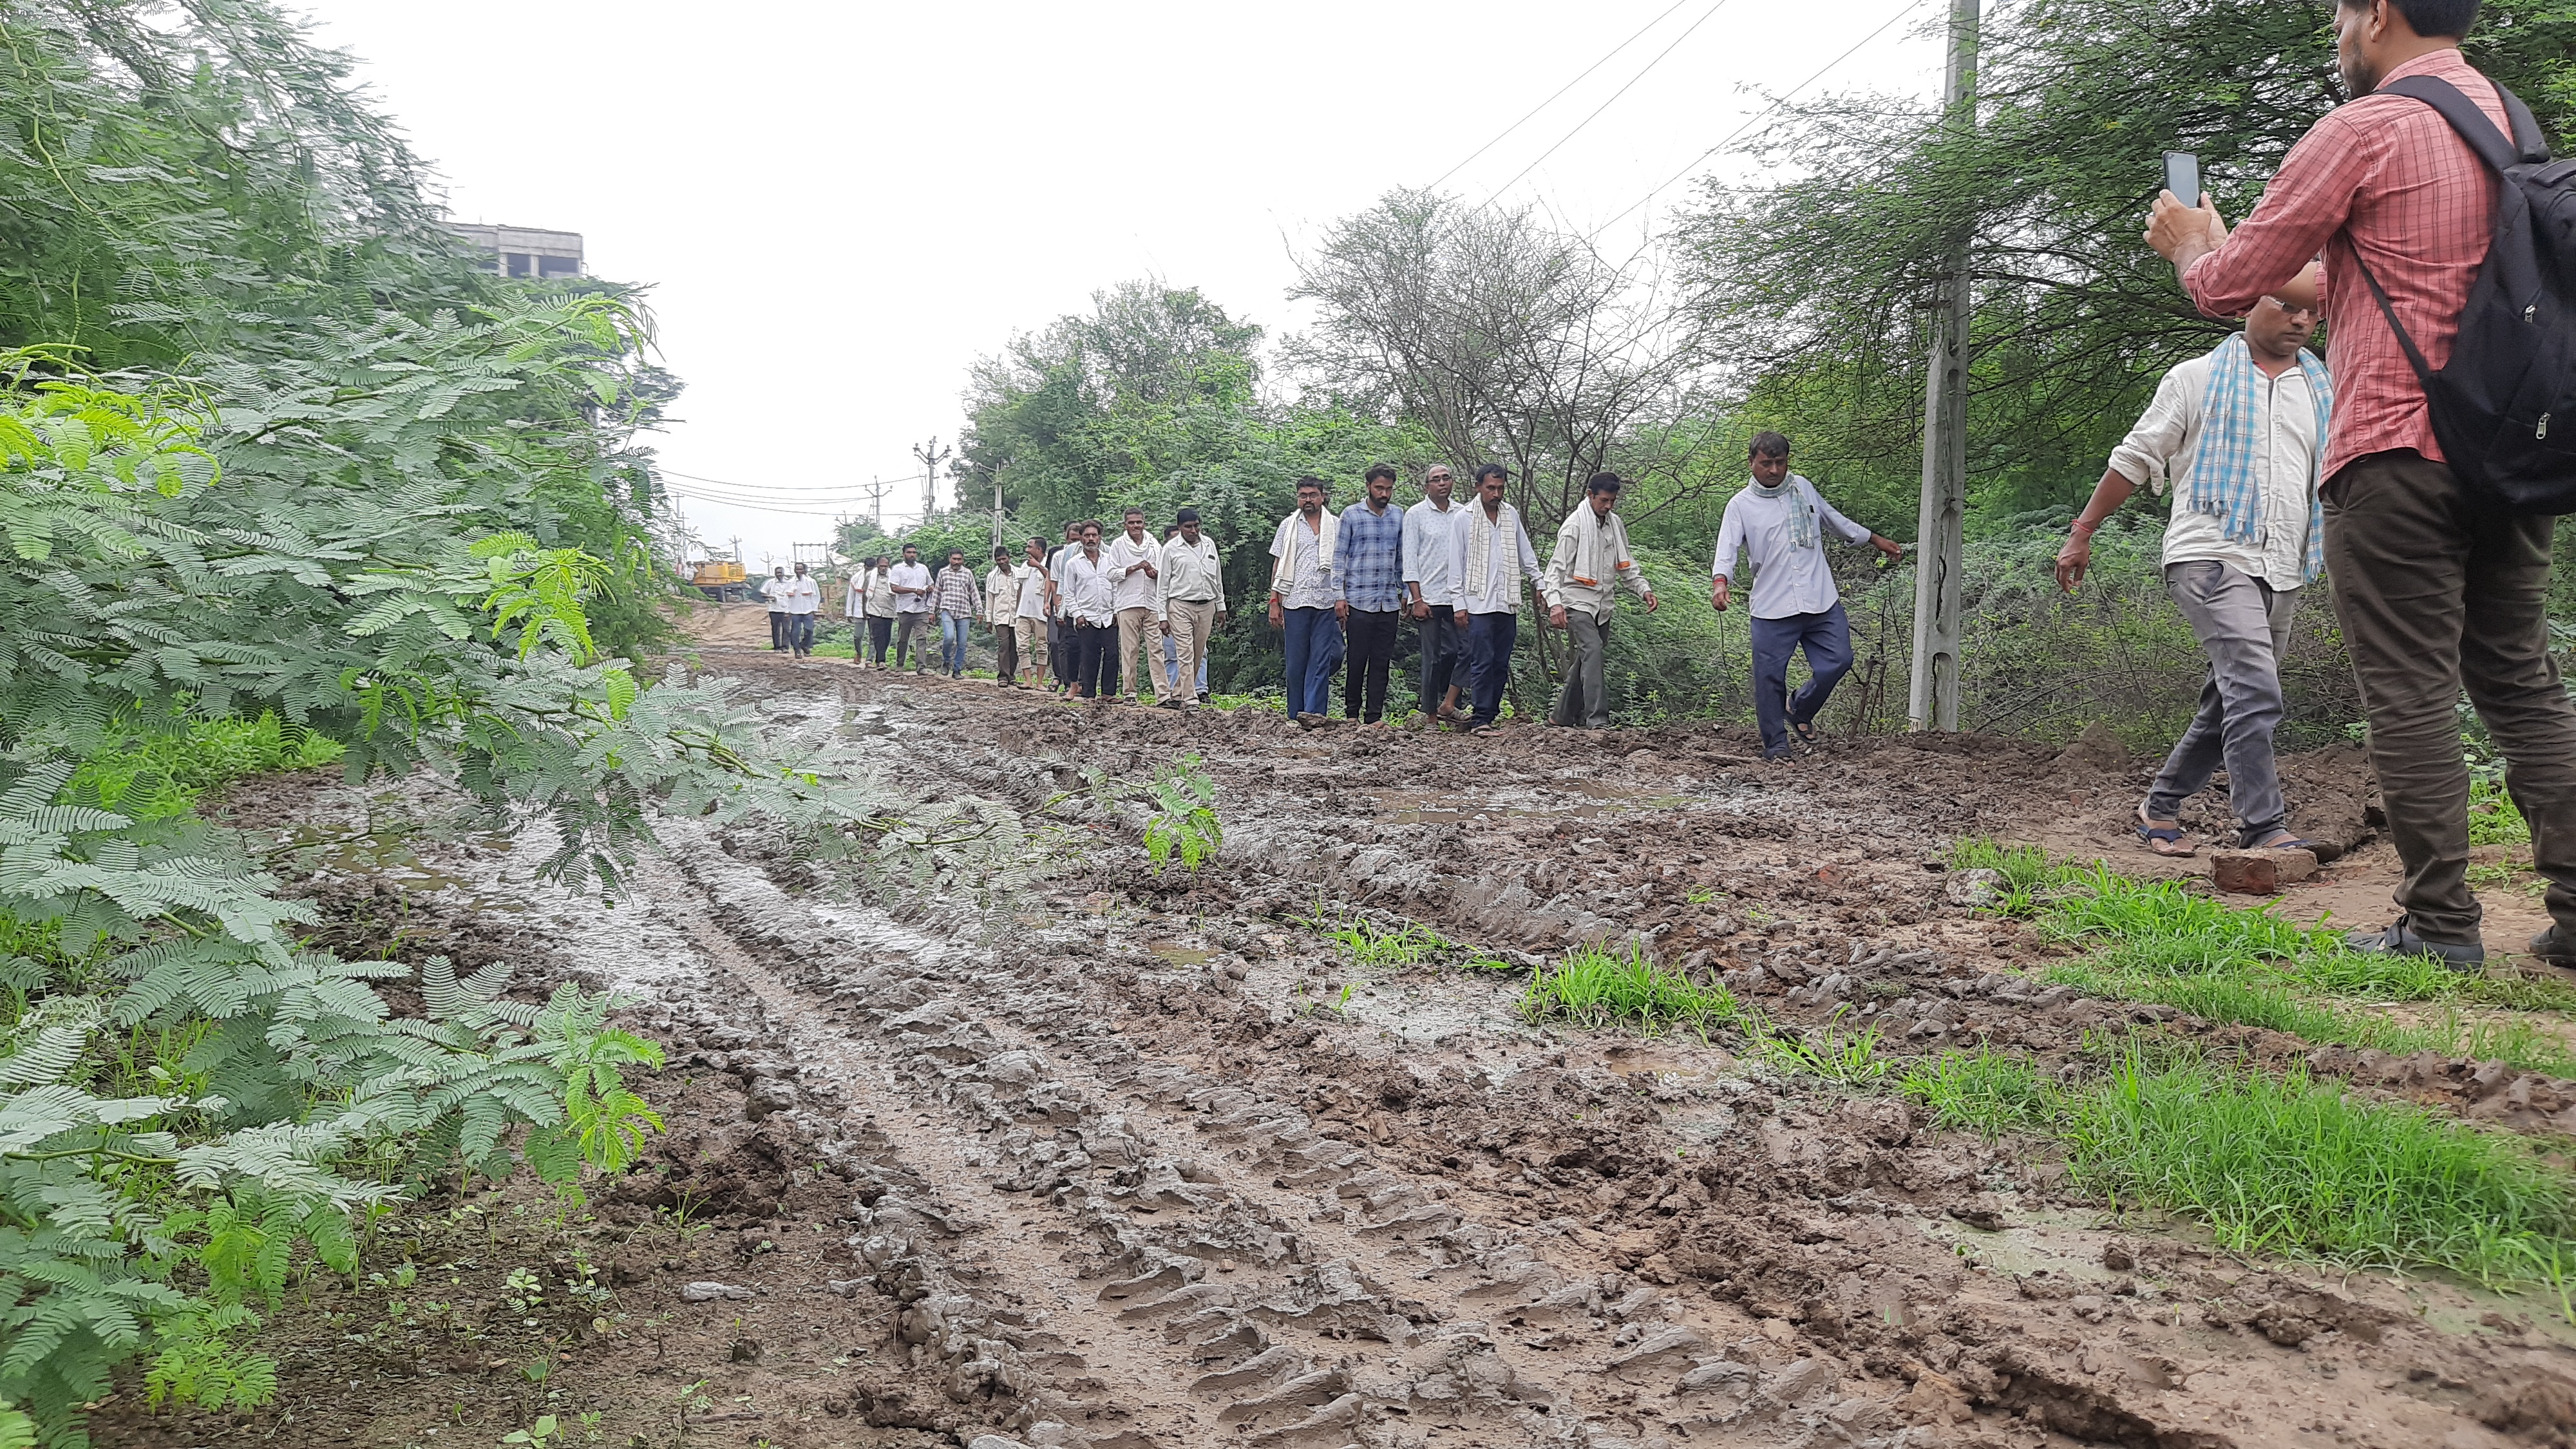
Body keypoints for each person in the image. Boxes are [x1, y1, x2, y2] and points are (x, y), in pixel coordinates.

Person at [2146, 0, 2576, 968]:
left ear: (2377, 13)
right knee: (2521, 682)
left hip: (2394, 455)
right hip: (2507, 455)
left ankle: (2439, 925)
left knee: (2410, 689)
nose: (2339, 32)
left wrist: (2188, 243)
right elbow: (2364, 282)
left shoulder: (2366, 126)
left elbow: (2226, 288)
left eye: (2342, 11)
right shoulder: (2513, 126)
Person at [2056, 274, 2331, 858]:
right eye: (2288, 304)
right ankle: (2263, 826)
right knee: (2255, 687)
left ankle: (2159, 804)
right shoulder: (2197, 377)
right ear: (2250, 301)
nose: (2301, 319)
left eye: (2313, 310)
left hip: (2286, 562)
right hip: (2209, 553)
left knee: (2234, 696)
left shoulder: (2324, 386)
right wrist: (2081, 534)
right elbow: (2136, 457)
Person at [1710, 433, 1904, 761]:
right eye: (1766, 464)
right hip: (1773, 605)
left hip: (1820, 597)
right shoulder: (1740, 505)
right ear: (1752, 463)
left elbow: (1832, 519)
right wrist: (1720, 583)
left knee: (1839, 660)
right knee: (1769, 679)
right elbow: (1726, 549)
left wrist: (1874, 539)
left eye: (1780, 463)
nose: (1774, 470)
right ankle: (1776, 745)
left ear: (1788, 461)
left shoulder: (1802, 487)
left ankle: (1799, 708)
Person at [1543, 472, 1657, 731]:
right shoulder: (1574, 526)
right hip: (1577, 600)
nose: (1608, 506)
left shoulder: (1614, 525)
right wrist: (1555, 604)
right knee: (1592, 649)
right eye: (1604, 500)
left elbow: (1626, 565)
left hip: (1603, 605)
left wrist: (1644, 590)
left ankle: (1560, 716)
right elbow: (1555, 570)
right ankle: (1598, 720)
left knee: (1587, 657)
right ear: (1590, 495)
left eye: (1612, 501)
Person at [1447, 464, 1544, 737]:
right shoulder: (1463, 518)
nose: (1496, 493)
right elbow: (1456, 564)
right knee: (1482, 660)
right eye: (1491, 488)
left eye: (1500, 488)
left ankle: (1490, 713)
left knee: (1501, 662)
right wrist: (1459, 604)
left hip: (1507, 601)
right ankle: (1480, 719)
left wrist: (1540, 583)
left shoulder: (1510, 515)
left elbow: (1526, 554)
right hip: (1477, 602)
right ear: (1478, 487)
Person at [1267, 477, 1343, 726]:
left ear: (1322, 497)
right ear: (1298, 498)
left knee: (1322, 660)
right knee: (1296, 662)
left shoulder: (1337, 525)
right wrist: (1274, 601)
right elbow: (1278, 564)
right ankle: (1295, 715)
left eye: (1312, 495)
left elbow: (1343, 565)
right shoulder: (1288, 525)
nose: (1308, 500)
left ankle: (1315, 715)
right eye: (1303, 495)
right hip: (1294, 600)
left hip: (1326, 601)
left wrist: (1343, 599)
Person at [1336, 464, 1407, 725]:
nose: (1384, 493)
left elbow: (1401, 558)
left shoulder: (1399, 516)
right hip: (1358, 599)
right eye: (1379, 488)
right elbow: (1339, 557)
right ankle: (1352, 714)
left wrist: (1406, 593)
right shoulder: (1351, 515)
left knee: (1381, 661)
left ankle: (1374, 716)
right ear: (1368, 487)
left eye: (1388, 489)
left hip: (1388, 601)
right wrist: (1339, 596)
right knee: (1356, 660)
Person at [1403, 464, 1470, 725]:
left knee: (1461, 651)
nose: (1442, 483)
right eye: (1436, 479)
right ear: (1427, 486)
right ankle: (1430, 715)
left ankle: (1450, 704)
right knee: (1432, 658)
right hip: (1428, 597)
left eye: (1446, 478)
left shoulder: (1463, 513)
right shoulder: (1416, 514)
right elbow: (1409, 558)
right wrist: (1416, 599)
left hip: (1457, 597)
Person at [1159, 507, 1227, 708]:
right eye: (1188, 527)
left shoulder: (1209, 545)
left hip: (1206, 605)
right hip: (1180, 605)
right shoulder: (1171, 549)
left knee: (1198, 652)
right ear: (1180, 527)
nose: (1193, 530)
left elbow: (1217, 577)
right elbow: (1163, 585)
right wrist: (1163, 616)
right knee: (1185, 652)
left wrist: (1220, 605)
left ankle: (1179, 692)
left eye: (1196, 526)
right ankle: (1190, 699)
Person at [1104, 508, 1165, 704]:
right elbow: (1111, 574)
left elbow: (1164, 574)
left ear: (1144, 523)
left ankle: (1162, 695)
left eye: (1139, 522)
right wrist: (1134, 568)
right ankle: (1130, 692)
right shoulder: (1118, 545)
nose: (1136, 526)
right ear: (1125, 525)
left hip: (1152, 602)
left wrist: (1153, 574)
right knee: (1130, 650)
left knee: (1156, 649)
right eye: (1132, 523)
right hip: (1128, 602)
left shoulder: (1154, 544)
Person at [1058, 521, 1120, 698]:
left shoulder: (1110, 560)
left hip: (1109, 616)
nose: (1091, 539)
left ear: (1100, 538)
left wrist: (1116, 610)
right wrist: (1078, 615)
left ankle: (1108, 693)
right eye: (1087, 536)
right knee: (1089, 657)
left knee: (1112, 654)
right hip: (1086, 617)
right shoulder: (1073, 563)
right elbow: (1069, 593)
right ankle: (1089, 693)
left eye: (1094, 535)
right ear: (1081, 539)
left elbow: (1116, 587)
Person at [933, 547, 982, 678]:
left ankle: (957, 670)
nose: (956, 562)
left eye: (959, 559)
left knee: (962, 643)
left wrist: (979, 610)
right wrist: (932, 611)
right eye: (954, 559)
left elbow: (974, 592)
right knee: (949, 637)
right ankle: (946, 661)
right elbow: (937, 592)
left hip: (964, 611)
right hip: (947, 609)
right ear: (950, 559)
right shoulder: (943, 572)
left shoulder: (968, 573)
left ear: (963, 560)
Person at [1046, 522, 1083, 694]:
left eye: (1078, 540)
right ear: (1066, 540)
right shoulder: (1059, 556)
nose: (1075, 544)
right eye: (1072, 540)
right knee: (1063, 644)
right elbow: (1055, 582)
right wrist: (1059, 606)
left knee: (1083, 645)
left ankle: (1082, 683)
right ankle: (1068, 681)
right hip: (1064, 606)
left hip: (1084, 607)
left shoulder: (1088, 556)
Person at [1014, 536, 1052, 687]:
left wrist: (1038, 566)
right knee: (1022, 646)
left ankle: (1040, 682)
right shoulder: (1025, 565)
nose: (1027, 550)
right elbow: (1021, 588)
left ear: (1039, 549)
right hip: (1023, 611)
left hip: (1041, 613)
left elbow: (1052, 579)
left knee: (1041, 647)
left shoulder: (1050, 563)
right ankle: (1028, 681)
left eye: (1030, 547)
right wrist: (1017, 610)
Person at [983, 545, 1023, 687]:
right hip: (1000, 616)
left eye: (1004, 559)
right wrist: (989, 619)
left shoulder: (1019, 573)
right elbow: (990, 598)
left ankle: (1012, 674)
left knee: (1016, 645)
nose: (1001, 562)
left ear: (1009, 558)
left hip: (1017, 615)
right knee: (1004, 645)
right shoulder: (992, 577)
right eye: (998, 560)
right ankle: (1003, 676)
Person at [857, 554, 896, 667]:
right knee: (878, 636)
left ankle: (881, 658)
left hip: (889, 610)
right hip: (874, 610)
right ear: (877, 565)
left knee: (887, 637)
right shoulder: (870, 576)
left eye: (886, 566)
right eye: (882, 566)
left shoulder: (893, 577)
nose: (884, 568)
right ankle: (881, 661)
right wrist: (865, 609)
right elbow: (865, 593)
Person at [777, 561, 822, 658]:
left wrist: (815, 609)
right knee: (795, 632)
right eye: (797, 569)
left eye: (801, 569)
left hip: (808, 610)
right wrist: (787, 610)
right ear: (795, 570)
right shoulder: (790, 582)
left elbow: (816, 596)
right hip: (795, 611)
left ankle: (804, 645)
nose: (799, 571)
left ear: (805, 570)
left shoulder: (811, 582)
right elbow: (786, 597)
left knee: (809, 630)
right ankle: (797, 650)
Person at [761, 565, 790, 651]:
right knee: (775, 629)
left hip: (786, 609)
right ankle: (777, 647)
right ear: (775, 574)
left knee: (786, 629)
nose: (779, 574)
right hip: (774, 609)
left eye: (781, 573)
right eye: (778, 573)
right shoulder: (771, 582)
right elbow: (763, 593)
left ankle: (785, 647)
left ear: (784, 573)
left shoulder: (789, 583)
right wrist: (770, 597)